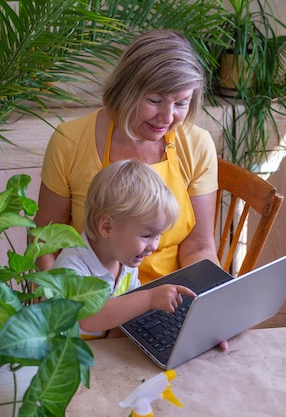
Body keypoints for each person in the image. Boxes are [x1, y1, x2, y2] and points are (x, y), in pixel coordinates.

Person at [35, 29, 220, 285]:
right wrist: (57, 307)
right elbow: (45, 241)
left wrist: (206, 302)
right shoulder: (70, 140)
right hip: (90, 302)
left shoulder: (196, 144)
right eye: (155, 100)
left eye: (180, 103)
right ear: (126, 90)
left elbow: (199, 247)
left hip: (168, 301)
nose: (167, 118)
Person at [52, 159, 197, 337]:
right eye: (146, 236)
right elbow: (88, 318)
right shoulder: (71, 268)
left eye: (158, 235)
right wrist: (149, 298)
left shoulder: (125, 260)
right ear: (107, 227)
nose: (154, 246)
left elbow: (123, 313)